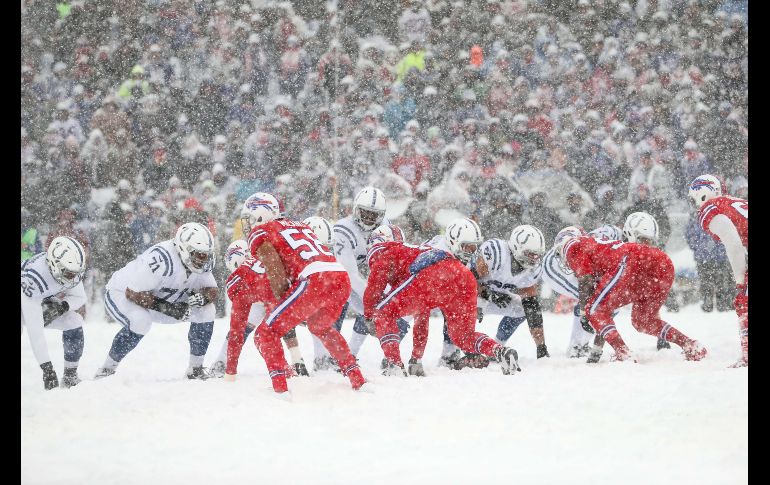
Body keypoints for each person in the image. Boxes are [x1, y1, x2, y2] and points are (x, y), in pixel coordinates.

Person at [242, 193, 367, 396]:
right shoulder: (302, 225)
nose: (247, 224)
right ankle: (357, 378)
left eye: (249, 217)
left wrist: (286, 299)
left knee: (264, 333)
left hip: (314, 279)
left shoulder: (262, 232)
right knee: (321, 327)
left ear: (259, 214)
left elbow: (273, 265)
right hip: (338, 276)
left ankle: (280, 389)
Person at [364, 225, 520, 376]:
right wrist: (415, 359)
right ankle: (499, 351)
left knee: (382, 312)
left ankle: (394, 365)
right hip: (464, 276)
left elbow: (373, 288)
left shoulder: (386, 252)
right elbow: (421, 317)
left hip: (435, 273)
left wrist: (369, 315)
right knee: (463, 336)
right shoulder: (412, 252)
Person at [553, 228, 707, 364]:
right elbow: (604, 311)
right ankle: (690, 345)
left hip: (632, 263)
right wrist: (596, 350)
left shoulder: (571, 246)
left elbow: (586, 283)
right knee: (643, 321)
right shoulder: (594, 246)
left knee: (594, 310)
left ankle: (623, 352)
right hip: (660, 263)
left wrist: (583, 313)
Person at [95, 222, 219, 379]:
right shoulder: (162, 259)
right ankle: (106, 370)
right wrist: (169, 309)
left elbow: (212, 289)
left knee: (207, 311)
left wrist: (203, 298)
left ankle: (195, 369)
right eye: (200, 254)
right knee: (141, 321)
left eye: (206, 254)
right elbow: (133, 292)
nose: (204, 259)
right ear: (183, 249)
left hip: (158, 301)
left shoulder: (199, 263)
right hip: (122, 293)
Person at [313, 187, 409, 371]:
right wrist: (374, 299)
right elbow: (348, 274)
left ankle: (355, 354)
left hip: (366, 279)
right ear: (356, 209)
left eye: (374, 215)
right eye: (365, 212)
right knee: (335, 310)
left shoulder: (386, 228)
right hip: (335, 278)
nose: (368, 218)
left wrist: (383, 299)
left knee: (397, 317)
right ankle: (323, 358)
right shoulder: (344, 229)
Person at [208, 240, 308, 379]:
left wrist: (230, 371)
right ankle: (291, 366)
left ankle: (285, 369)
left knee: (258, 335)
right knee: (267, 331)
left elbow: (237, 330)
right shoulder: (262, 261)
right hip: (279, 293)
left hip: (271, 294)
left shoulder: (243, 277)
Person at [688, 175, 748, 367]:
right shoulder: (733, 202)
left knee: (743, 302)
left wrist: (739, 279)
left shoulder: (710, 208)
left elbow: (733, 243)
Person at [472, 225, 550, 359]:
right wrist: (488, 294)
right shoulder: (496, 253)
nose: (534, 258)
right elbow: (469, 280)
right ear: (517, 247)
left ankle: (497, 347)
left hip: (496, 297)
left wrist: (541, 346)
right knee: (460, 312)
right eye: (530, 254)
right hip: (471, 294)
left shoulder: (532, 270)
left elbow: (532, 307)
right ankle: (450, 352)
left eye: (537, 254)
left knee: (522, 309)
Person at [21, 237, 88, 389]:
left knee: (74, 321)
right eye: (69, 273)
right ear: (54, 264)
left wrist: (63, 306)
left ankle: (70, 375)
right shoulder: (35, 278)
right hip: (25, 299)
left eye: (75, 273)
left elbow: (80, 297)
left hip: (39, 300)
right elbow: (35, 330)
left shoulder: (68, 268)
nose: (74, 277)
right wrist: (47, 368)